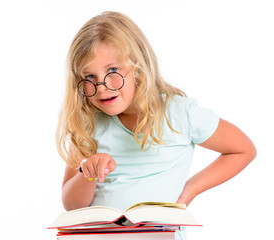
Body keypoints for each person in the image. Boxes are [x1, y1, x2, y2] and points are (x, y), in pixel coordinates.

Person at [56, 11, 256, 239]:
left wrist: (190, 190)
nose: (101, 87)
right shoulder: (89, 122)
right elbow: (71, 205)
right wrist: (87, 173)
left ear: (138, 67)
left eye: (112, 71)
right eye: (89, 78)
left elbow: (243, 150)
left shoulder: (178, 113)